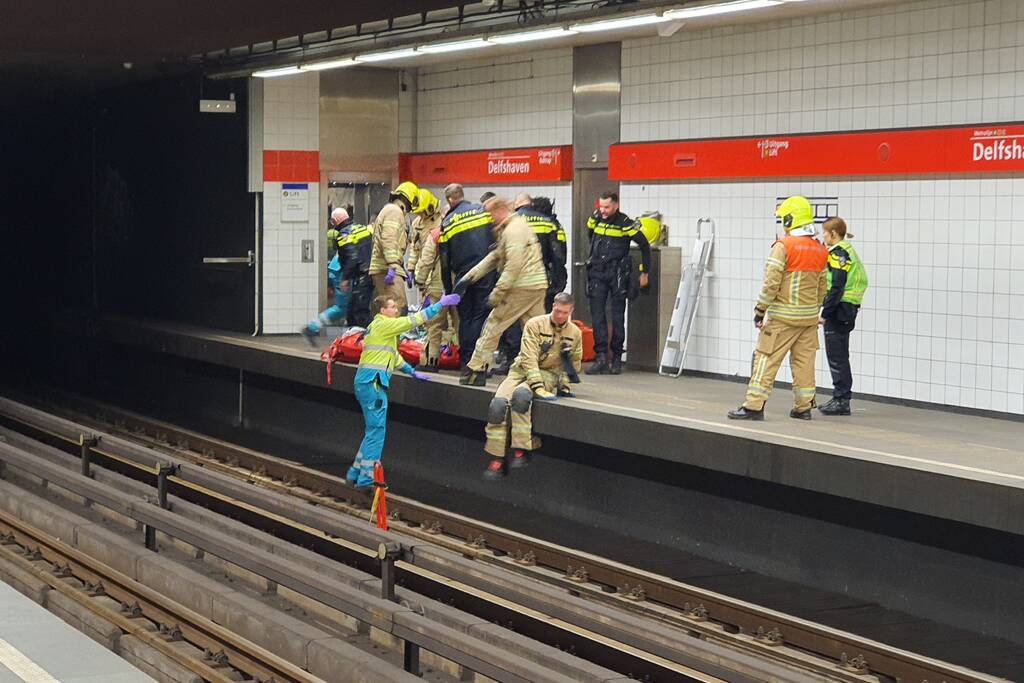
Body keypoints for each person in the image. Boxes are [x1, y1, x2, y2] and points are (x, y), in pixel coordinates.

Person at [728, 196, 828, 421]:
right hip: (809, 319)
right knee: (804, 363)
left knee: (766, 359)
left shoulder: (784, 246)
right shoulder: (820, 249)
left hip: (783, 318)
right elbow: (823, 287)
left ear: (790, 219)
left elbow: (771, 283)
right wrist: (813, 310)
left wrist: (760, 310)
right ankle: (803, 408)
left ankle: (753, 406)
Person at [347, 292, 461, 488]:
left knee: (372, 429)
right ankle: (367, 478)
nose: (396, 309)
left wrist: (411, 372)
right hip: (374, 384)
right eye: (392, 307)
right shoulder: (385, 324)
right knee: (377, 431)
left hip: (366, 383)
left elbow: (394, 356)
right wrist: (440, 305)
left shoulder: (378, 327)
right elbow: (414, 321)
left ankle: (355, 472)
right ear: (382, 310)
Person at [483, 292, 582, 480]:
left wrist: (565, 380)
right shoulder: (535, 324)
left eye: (565, 312)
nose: (560, 316)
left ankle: (522, 448)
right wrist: (537, 386)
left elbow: (576, 365)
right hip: (521, 370)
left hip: (548, 373)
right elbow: (528, 356)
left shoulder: (575, 333)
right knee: (498, 405)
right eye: (558, 311)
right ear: (553, 306)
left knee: (521, 396)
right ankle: (497, 457)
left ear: (571, 311)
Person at [456, 196, 548, 386]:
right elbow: (495, 257)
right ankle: (548, 370)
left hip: (520, 287)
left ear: (499, 210)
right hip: (536, 285)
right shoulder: (516, 226)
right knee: (537, 331)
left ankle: (476, 369)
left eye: (491, 214)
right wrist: (468, 278)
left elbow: (513, 266)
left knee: (494, 324)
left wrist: (496, 294)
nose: (490, 219)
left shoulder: (513, 231)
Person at [584, 191, 651, 375]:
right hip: (598, 272)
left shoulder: (625, 223)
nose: (603, 210)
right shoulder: (596, 218)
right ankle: (600, 357)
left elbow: (644, 246)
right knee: (597, 316)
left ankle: (616, 358)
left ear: (616, 205)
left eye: (607, 207)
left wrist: (645, 272)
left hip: (618, 275)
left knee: (617, 316)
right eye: (601, 206)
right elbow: (590, 236)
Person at [438, 183, 498, 384]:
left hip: (463, 277)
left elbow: (444, 260)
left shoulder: (447, 222)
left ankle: (466, 362)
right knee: (481, 316)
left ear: (449, 200)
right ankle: (479, 362)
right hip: (486, 272)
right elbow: (496, 240)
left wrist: (449, 288)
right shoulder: (483, 211)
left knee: (466, 319)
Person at [819, 217, 868, 416]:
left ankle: (842, 400)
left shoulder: (838, 253)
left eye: (825, 232)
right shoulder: (847, 250)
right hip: (845, 309)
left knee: (837, 356)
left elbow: (837, 286)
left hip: (839, 309)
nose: (823, 236)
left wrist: (825, 313)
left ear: (833, 233)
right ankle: (840, 397)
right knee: (839, 355)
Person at [409, 188, 456, 371]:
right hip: (455, 284)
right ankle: (459, 358)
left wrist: (420, 278)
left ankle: (433, 361)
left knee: (434, 322)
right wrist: (411, 268)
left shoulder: (437, 230)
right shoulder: (418, 224)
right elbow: (415, 248)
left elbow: (427, 257)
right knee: (456, 321)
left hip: (436, 282)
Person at [301, 207, 352, 345]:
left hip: (337, 269)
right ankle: (312, 328)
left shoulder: (342, 232)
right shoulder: (350, 231)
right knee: (343, 307)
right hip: (341, 271)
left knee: (346, 306)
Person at [369, 181, 418, 312]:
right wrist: (393, 265)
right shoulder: (394, 211)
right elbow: (388, 239)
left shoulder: (390, 210)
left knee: (386, 309)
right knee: (397, 307)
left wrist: (401, 267)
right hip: (386, 269)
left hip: (385, 267)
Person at [529, 195, 568, 312]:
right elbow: (560, 255)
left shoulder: (522, 223)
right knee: (547, 310)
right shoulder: (553, 224)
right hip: (549, 275)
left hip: (528, 276)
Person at [339, 216, 374, 328]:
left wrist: (345, 278)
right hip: (370, 272)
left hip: (362, 274)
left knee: (359, 311)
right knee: (355, 309)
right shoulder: (363, 228)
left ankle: (369, 334)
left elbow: (352, 257)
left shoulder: (344, 233)